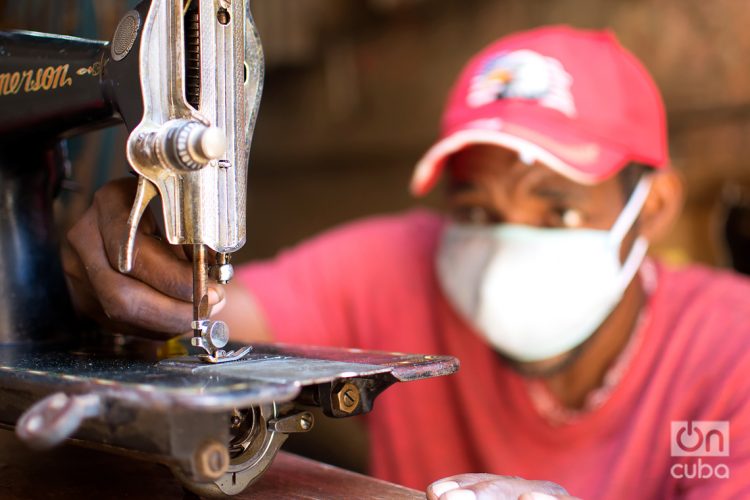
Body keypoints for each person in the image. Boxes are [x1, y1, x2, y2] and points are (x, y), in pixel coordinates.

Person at [62, 26, 750, 499]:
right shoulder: (396, 265)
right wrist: (139, 272)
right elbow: (211, 312)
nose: (507, 246)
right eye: (477, 211)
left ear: (653, 208)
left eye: (559, 210)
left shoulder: (732, 350)